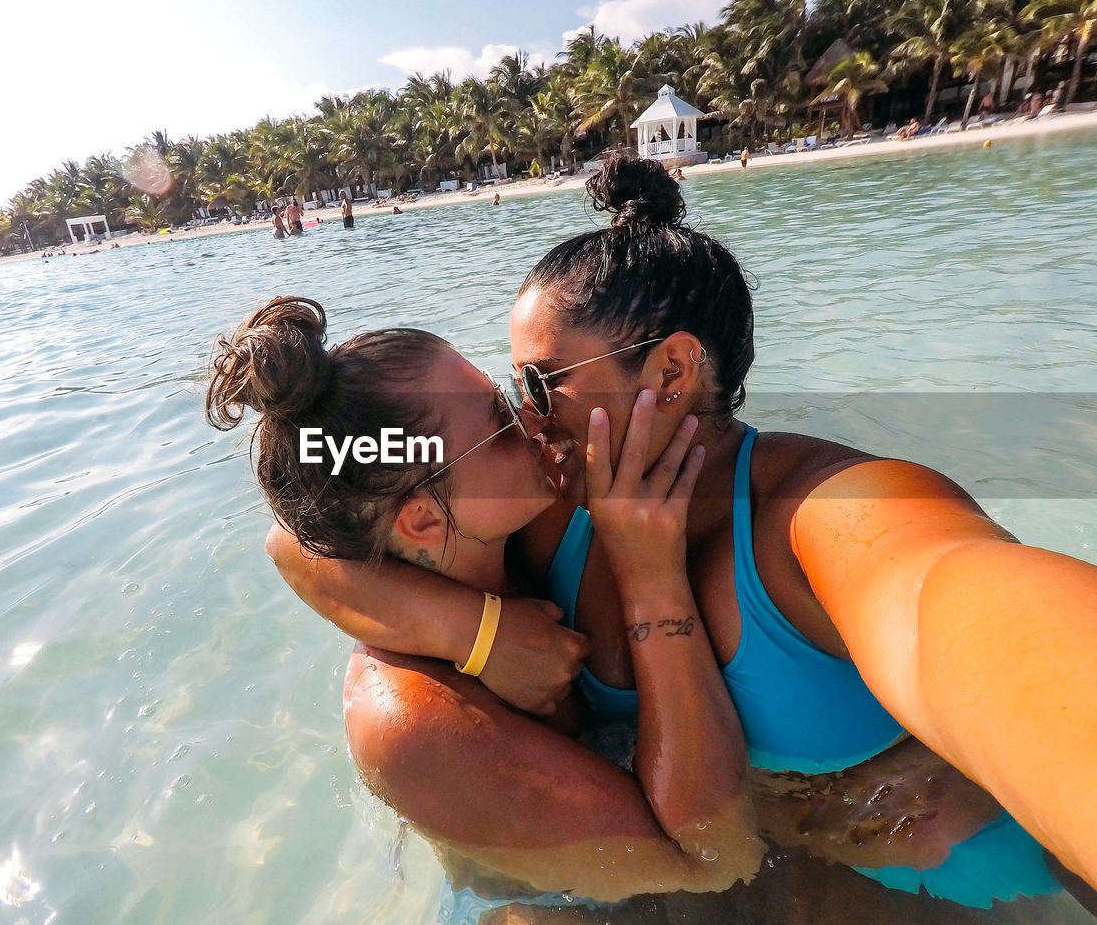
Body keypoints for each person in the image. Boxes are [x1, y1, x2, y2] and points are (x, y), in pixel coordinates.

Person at [268, 159, 1097, 909]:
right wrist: (476, 635)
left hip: (943, 881)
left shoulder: (826, 516)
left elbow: (979, 616)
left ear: (671, 373)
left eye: (538, 382)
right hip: (735, 863)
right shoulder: (546, 502)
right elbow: (308, 535)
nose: (525, 415)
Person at [210, 298, 1029, 924]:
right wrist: (645, 583)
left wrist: (478, 631)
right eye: (499, 423)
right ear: (422, 520)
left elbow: (297, 535)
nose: (533, 418)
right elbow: (714, 859)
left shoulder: (506, 534)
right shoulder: (414, 721)